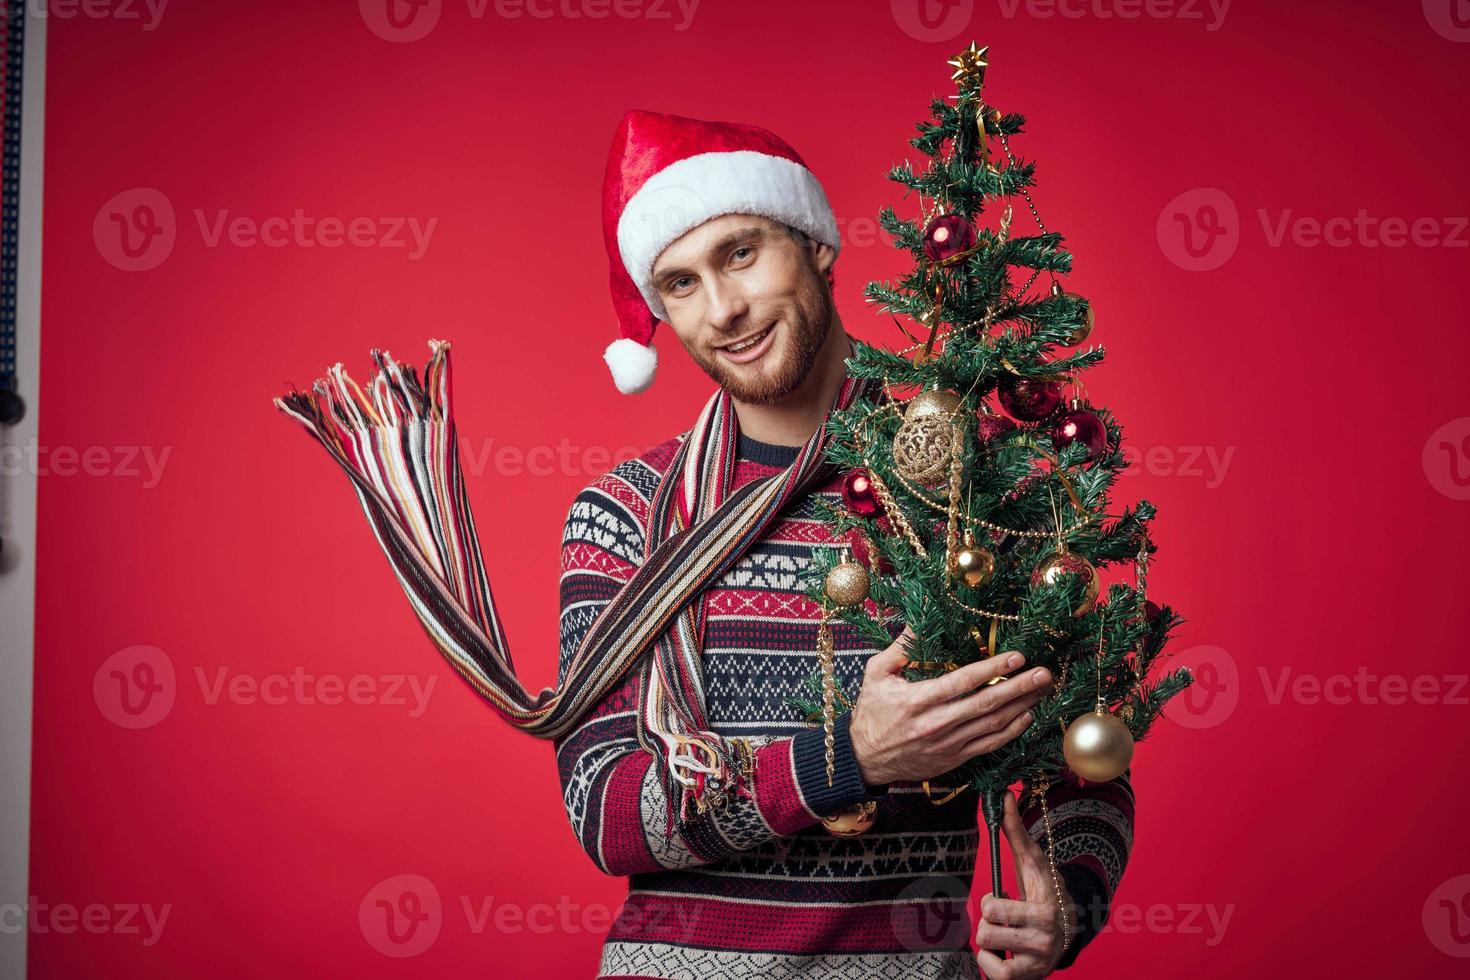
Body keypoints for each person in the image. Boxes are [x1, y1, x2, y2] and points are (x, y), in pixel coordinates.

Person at [556, 109, 1134, 980]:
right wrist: (847, 759)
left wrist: (1069, 898)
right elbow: (604, 806)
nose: (724, 310)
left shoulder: (977, 490)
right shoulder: (625, 517)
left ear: (817, 244)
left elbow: (1080, 750)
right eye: (680, 283)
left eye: (742, 252)